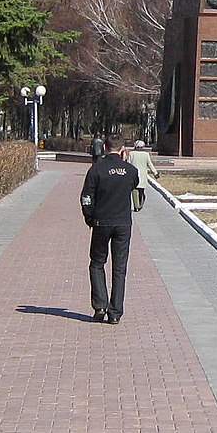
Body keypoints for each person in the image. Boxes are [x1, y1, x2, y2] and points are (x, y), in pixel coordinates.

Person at [81, 134, 139, 324]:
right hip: (123, 223)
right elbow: (134, 184)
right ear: (123, 149)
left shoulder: (96, 170)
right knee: (119, 268)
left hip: (101, 222)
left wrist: (89, 216)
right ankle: (115, 313)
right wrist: (123, 163)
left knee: (97, 263)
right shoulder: (130, 170)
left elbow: (86, 197)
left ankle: (100, 305)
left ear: (105, 147)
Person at [125, 139, 157, 212]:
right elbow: (150, 164)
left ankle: (136, 206)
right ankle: (140, 204)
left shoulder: (131, 154)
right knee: (141, 191)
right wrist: (155, 173)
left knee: (134, 190)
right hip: (142, 175)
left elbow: (128, 164)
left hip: (133, 175)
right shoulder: (146, 154)